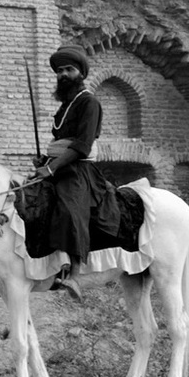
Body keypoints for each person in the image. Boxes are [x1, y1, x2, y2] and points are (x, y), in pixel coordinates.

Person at [28, 44, 121, 300]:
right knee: (26, 204)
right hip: (56, 165)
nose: (63, 74)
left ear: (81, 72)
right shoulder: (64, 106)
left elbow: (82, 145)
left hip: (78, 170)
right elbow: (62, 141)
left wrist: (51, 167)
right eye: (59, 70)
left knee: (70, 209)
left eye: (69, 69)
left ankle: (75, 275)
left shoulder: (89, 102)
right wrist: (45, 160)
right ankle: (27, 272)